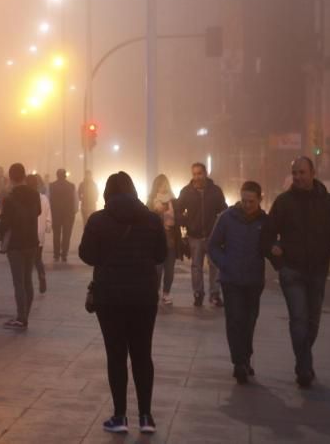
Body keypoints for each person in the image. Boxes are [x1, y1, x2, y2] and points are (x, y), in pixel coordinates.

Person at [80, 172, 166, 434]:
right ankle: (146, 416)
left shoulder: (98, 220)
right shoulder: (152, 219)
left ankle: (119, 417)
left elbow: (87, 255)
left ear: (107, 192)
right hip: (144, 297)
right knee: (142, 355)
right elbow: (161, 254)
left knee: (116, 355)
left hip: (110, 297)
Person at [261, 156, 330, 388]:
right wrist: (275, 254)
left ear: (313, 173)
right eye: (295, 173)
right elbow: (266, 234)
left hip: (318, 272)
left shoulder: (329, 203)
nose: (298, 177)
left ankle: (303, 357)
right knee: (299, 319)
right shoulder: (283, 202)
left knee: (312, 323)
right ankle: (304, 367)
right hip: (291, 271)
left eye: (302, 172)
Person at [208, 181, 267, 384]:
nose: (247, 205)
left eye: (251, 201)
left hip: (254, 280)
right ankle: (239, 363)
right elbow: (213, 245)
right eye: (244, 200)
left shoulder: (265, 221)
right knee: (234, 320)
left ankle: (245, 357)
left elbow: (272, 245)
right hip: (231, 280)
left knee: (249, 322)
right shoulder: (227, 218)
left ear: (260, 199)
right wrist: (225, 264)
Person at [0, 163, 41, 330]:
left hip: (16, 244)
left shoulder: (10, 197)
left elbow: (6, 221)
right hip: (32, 242)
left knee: (18, 281)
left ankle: (21, 317)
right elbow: (38, 212)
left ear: (11, 177)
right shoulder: (35, 194)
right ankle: (25, 315)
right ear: (24, 176)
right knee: (28, 280)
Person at [175, 162, 228, 307]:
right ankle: (198, 294)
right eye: (194, 174)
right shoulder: (186, 191)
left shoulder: (215, 191)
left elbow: (223, 210)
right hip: (195, 235)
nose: (197, 177)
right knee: (196, 267)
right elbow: (178, 211)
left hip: (213, 236)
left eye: (199, 173)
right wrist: (186, 222)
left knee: (214, 265)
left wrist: (221, 229)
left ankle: (215, 294)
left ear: (205, 174)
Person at [146, 174, 181, 305]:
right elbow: (146, 220)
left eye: (165, 184)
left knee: (169, 269)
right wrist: (157, 212)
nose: (163, 187)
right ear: (156, 186)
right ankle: (155, 292)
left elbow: (179, 217)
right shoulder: (151, 201)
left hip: (171, 238)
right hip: (157, 240)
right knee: (157, 269)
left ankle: (166, 293)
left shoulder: (174, 201)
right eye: (160, 184)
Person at [26, 174, 52, 294]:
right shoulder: (44, 198)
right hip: (39, 233)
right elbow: (48, 215)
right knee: (37, 258)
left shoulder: (24, 198)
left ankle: (28, 283)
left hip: (27, 234)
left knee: (28, 261)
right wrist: (48, 226)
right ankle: (41, 275)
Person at [49, 169, 79, 263]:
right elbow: (75, 199)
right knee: (67, 234)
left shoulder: (51, 186)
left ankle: (56, 254)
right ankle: (64, 254)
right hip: (68, 213)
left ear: (57, 175)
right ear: (65, 175)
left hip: (55, 213)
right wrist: (75, 210)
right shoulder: (71, 186)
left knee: (56, 234)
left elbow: (49, 199)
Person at [78, 170, 99, 247]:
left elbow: (97, 193)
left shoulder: (93, 184)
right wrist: (81, 198)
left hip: (92, 206)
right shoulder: (82, 184)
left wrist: (94, 199)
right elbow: (79, 193)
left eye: (89, 175)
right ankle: (86, 240)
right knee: (85, 223)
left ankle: (91, 239)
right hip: (84, 206)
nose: (88, 176)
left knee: (92, 223)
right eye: (87, 175)